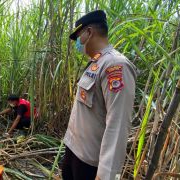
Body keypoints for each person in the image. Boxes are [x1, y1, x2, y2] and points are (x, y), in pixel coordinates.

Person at [63, 10, 137, 180]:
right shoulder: (96, 63)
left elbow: (117, 125)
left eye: (78, 37)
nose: (77, 43)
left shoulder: (115, 66)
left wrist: (106, 175)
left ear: (89, 32)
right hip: (74, 150)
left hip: (90, 164)